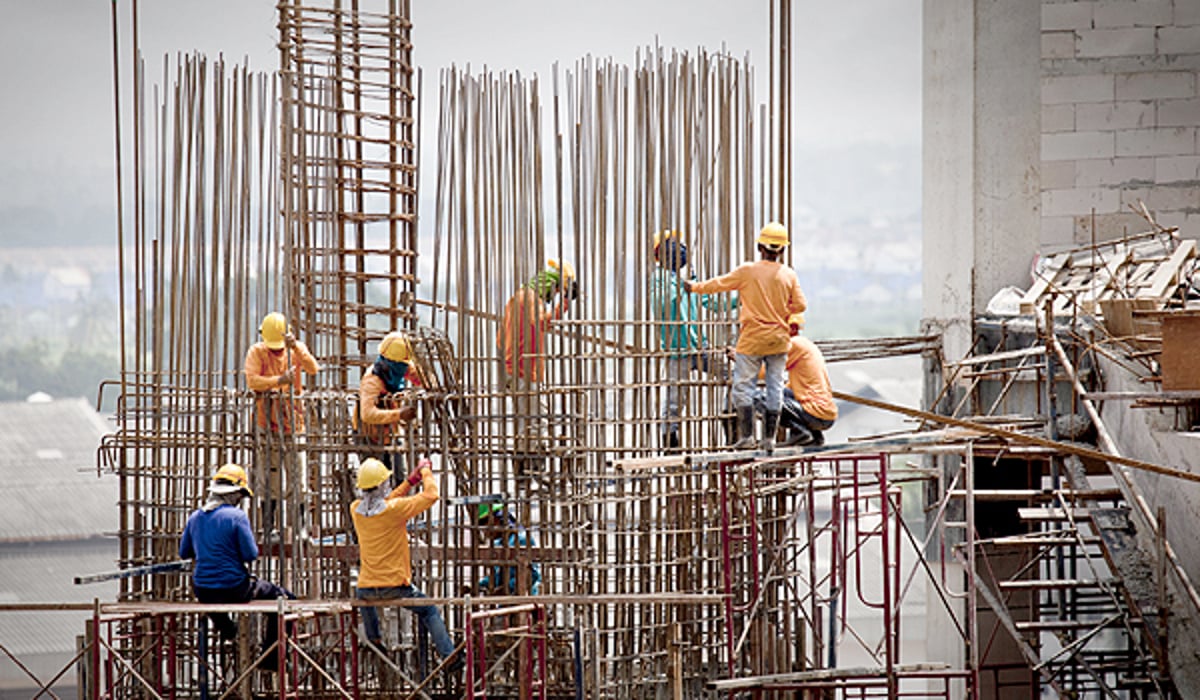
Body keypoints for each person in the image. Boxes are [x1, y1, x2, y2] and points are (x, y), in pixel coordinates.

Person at [685, 222, 807, 453]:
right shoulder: (788, 274)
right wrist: (781, 310)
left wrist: (694, 287)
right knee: (775, 387)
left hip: (752, 340)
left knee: (742, 387)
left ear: (760, 246)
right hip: (779, 340)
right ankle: (769, 438)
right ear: (781, 250)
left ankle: (747, 436)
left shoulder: (748, 271)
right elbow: (801, 304)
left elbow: (718, 284)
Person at [179, 464, 296, 669]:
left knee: (214, 598)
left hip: (203, 590)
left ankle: (227, 629)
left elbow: (184, 553)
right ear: (234, 494)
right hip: (234, 587)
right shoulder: (236, 517)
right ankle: (271, 658)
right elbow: (250, 554)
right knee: (284, 600)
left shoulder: (195, 517)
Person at [350, 457, 459, 671]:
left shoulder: (355, 510)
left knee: (361, 596)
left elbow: (385, 501)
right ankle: (449, 655)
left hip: (366, 588)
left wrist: (410, 482)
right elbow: (431, 495)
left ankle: (375, 641)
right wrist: (426, 472)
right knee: (428, 609)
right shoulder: (394, 510)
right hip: (395, 586)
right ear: (382, 485)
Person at [649, 230, 736, 451]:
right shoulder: (657, 280)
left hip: (701, 347)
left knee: (735, 376)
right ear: (661, 254)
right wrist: (682, 285)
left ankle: (729, 418)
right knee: (674, 403)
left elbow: (712, 303)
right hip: (678, 350)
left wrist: (739, 299)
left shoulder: (687, 278)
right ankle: (671, 446)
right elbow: (664, 304)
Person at [244, 312, 321, 538]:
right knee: (270, 479)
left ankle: (300, 530)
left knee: (298, 478)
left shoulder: (295, 350)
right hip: (266, 424)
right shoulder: (257, 352)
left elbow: (313, 368)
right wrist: (279, 381)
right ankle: (269, 529)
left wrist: (296, 346)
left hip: (293, 423)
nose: (277, 351)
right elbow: (252, 380)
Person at [496, 259, 578, 453]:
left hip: (514, 366)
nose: (555, 294)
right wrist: (563, 305)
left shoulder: (520, 297)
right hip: (523, 368)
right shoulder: (531, 298)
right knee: (534, 420)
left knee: (526, 418)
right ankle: (531, 463)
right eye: (557, 290)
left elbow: (537, 325)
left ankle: (526, 465)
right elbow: (541, 321)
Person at [754, 313, 837, 447]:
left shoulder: (794, 344)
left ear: (791, 329)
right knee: (783, 393)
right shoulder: (806, 346)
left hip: (815, 414)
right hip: (824, 415)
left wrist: (744, 363)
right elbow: (790, 388)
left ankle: (801, 432)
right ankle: (814, 437)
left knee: (759, 398)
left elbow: (767, 371)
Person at [356, 331, 423, 475]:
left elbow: (423, 380)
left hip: (391, 434)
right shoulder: (373, 380)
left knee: (399, 476)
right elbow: (367, 414)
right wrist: (399, 414)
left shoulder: (400, 368)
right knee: (377, 479)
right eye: (400, 365)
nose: (404, 369)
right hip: (369, 435)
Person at [476, 502, 542, 595]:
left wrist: (507, 588)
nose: (484, 532)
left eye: (486, 525)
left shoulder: (521, 540)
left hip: (525, 599)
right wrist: (478, 586)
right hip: (506, 601)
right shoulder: (497, 544)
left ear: (499, 520)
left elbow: (532, 575)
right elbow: (497, 577)